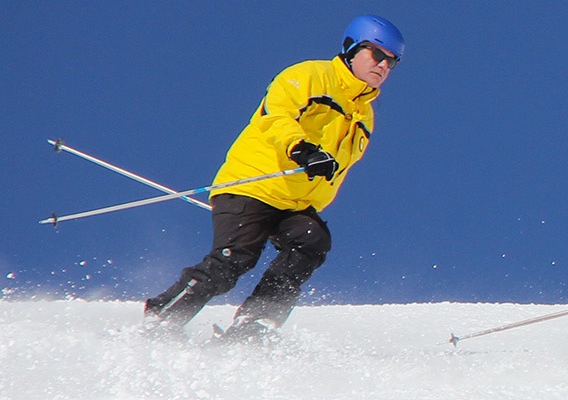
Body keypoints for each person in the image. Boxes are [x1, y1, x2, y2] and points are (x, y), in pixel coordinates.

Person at [141, 15, 404, 343]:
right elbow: (276, 115)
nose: (383, 65)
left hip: (293, 203)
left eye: (392, 61)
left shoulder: (365, 115)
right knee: (236, 259)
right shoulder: (310, 76)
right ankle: (163, 318)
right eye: (376, 54)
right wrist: (302, 149)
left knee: (312, 241)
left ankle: (254, 324)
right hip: (253, 185)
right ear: (351, 49)